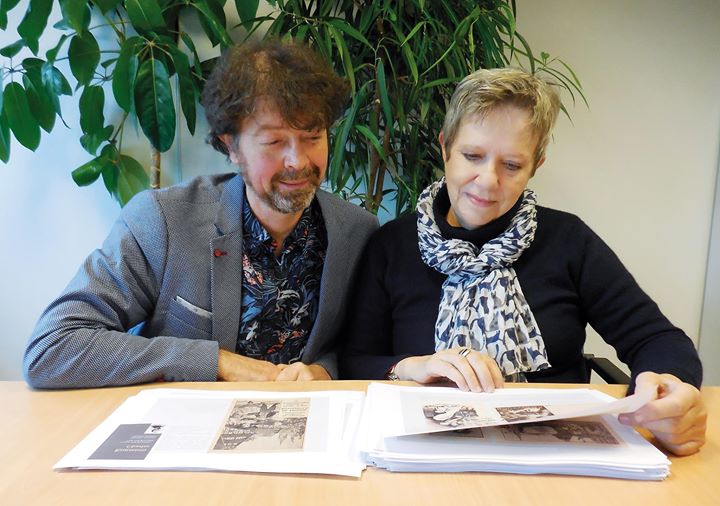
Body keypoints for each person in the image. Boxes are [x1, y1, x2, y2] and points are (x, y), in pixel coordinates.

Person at [339, 68, 706, 455]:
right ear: (445, 147)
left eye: (512, 165)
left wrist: (667, 390)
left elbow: (657, 339)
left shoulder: (568, 240)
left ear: (535, 165)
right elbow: (354, 361)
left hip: (556, 455)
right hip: (426, 454)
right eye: (472, 156)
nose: (488, 180)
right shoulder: (392, 245)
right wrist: (412, 367)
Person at [23, 40, 378, 389]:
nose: (297, 161)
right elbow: (52, 347)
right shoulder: (163, 221)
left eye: (313, 137)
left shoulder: (357, 231)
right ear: (231, 145)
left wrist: (325, 371)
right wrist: (218, 362)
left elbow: (360, 346)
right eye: (274, 142)